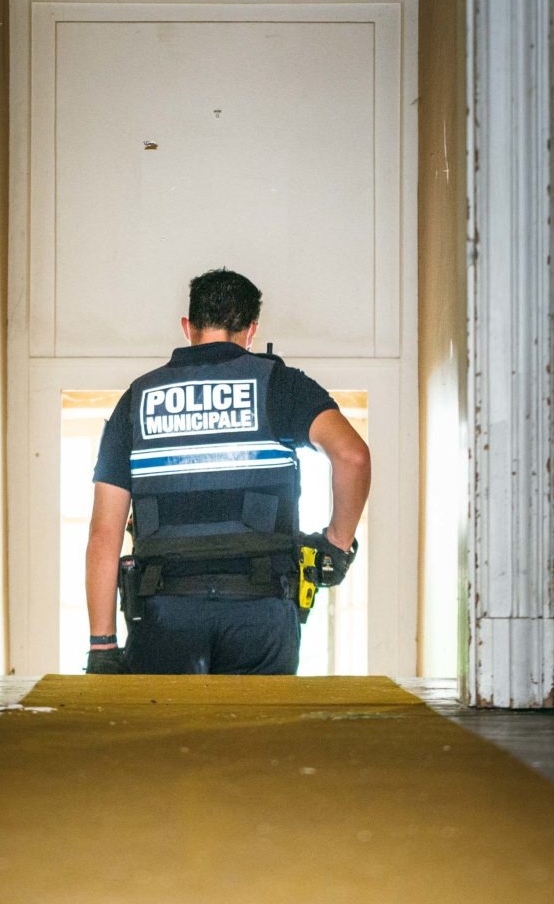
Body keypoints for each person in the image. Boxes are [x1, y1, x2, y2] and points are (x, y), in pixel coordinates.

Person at [85, 268, 370, 675]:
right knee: (256, 738)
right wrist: (337, 547)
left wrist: (102, 646)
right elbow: (353, 457)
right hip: (261, 611)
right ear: (251, 330)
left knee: (162, 736)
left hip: (164, 611)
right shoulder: (281, 385)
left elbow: (103, 533)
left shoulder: (138, 399)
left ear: (188, 327)